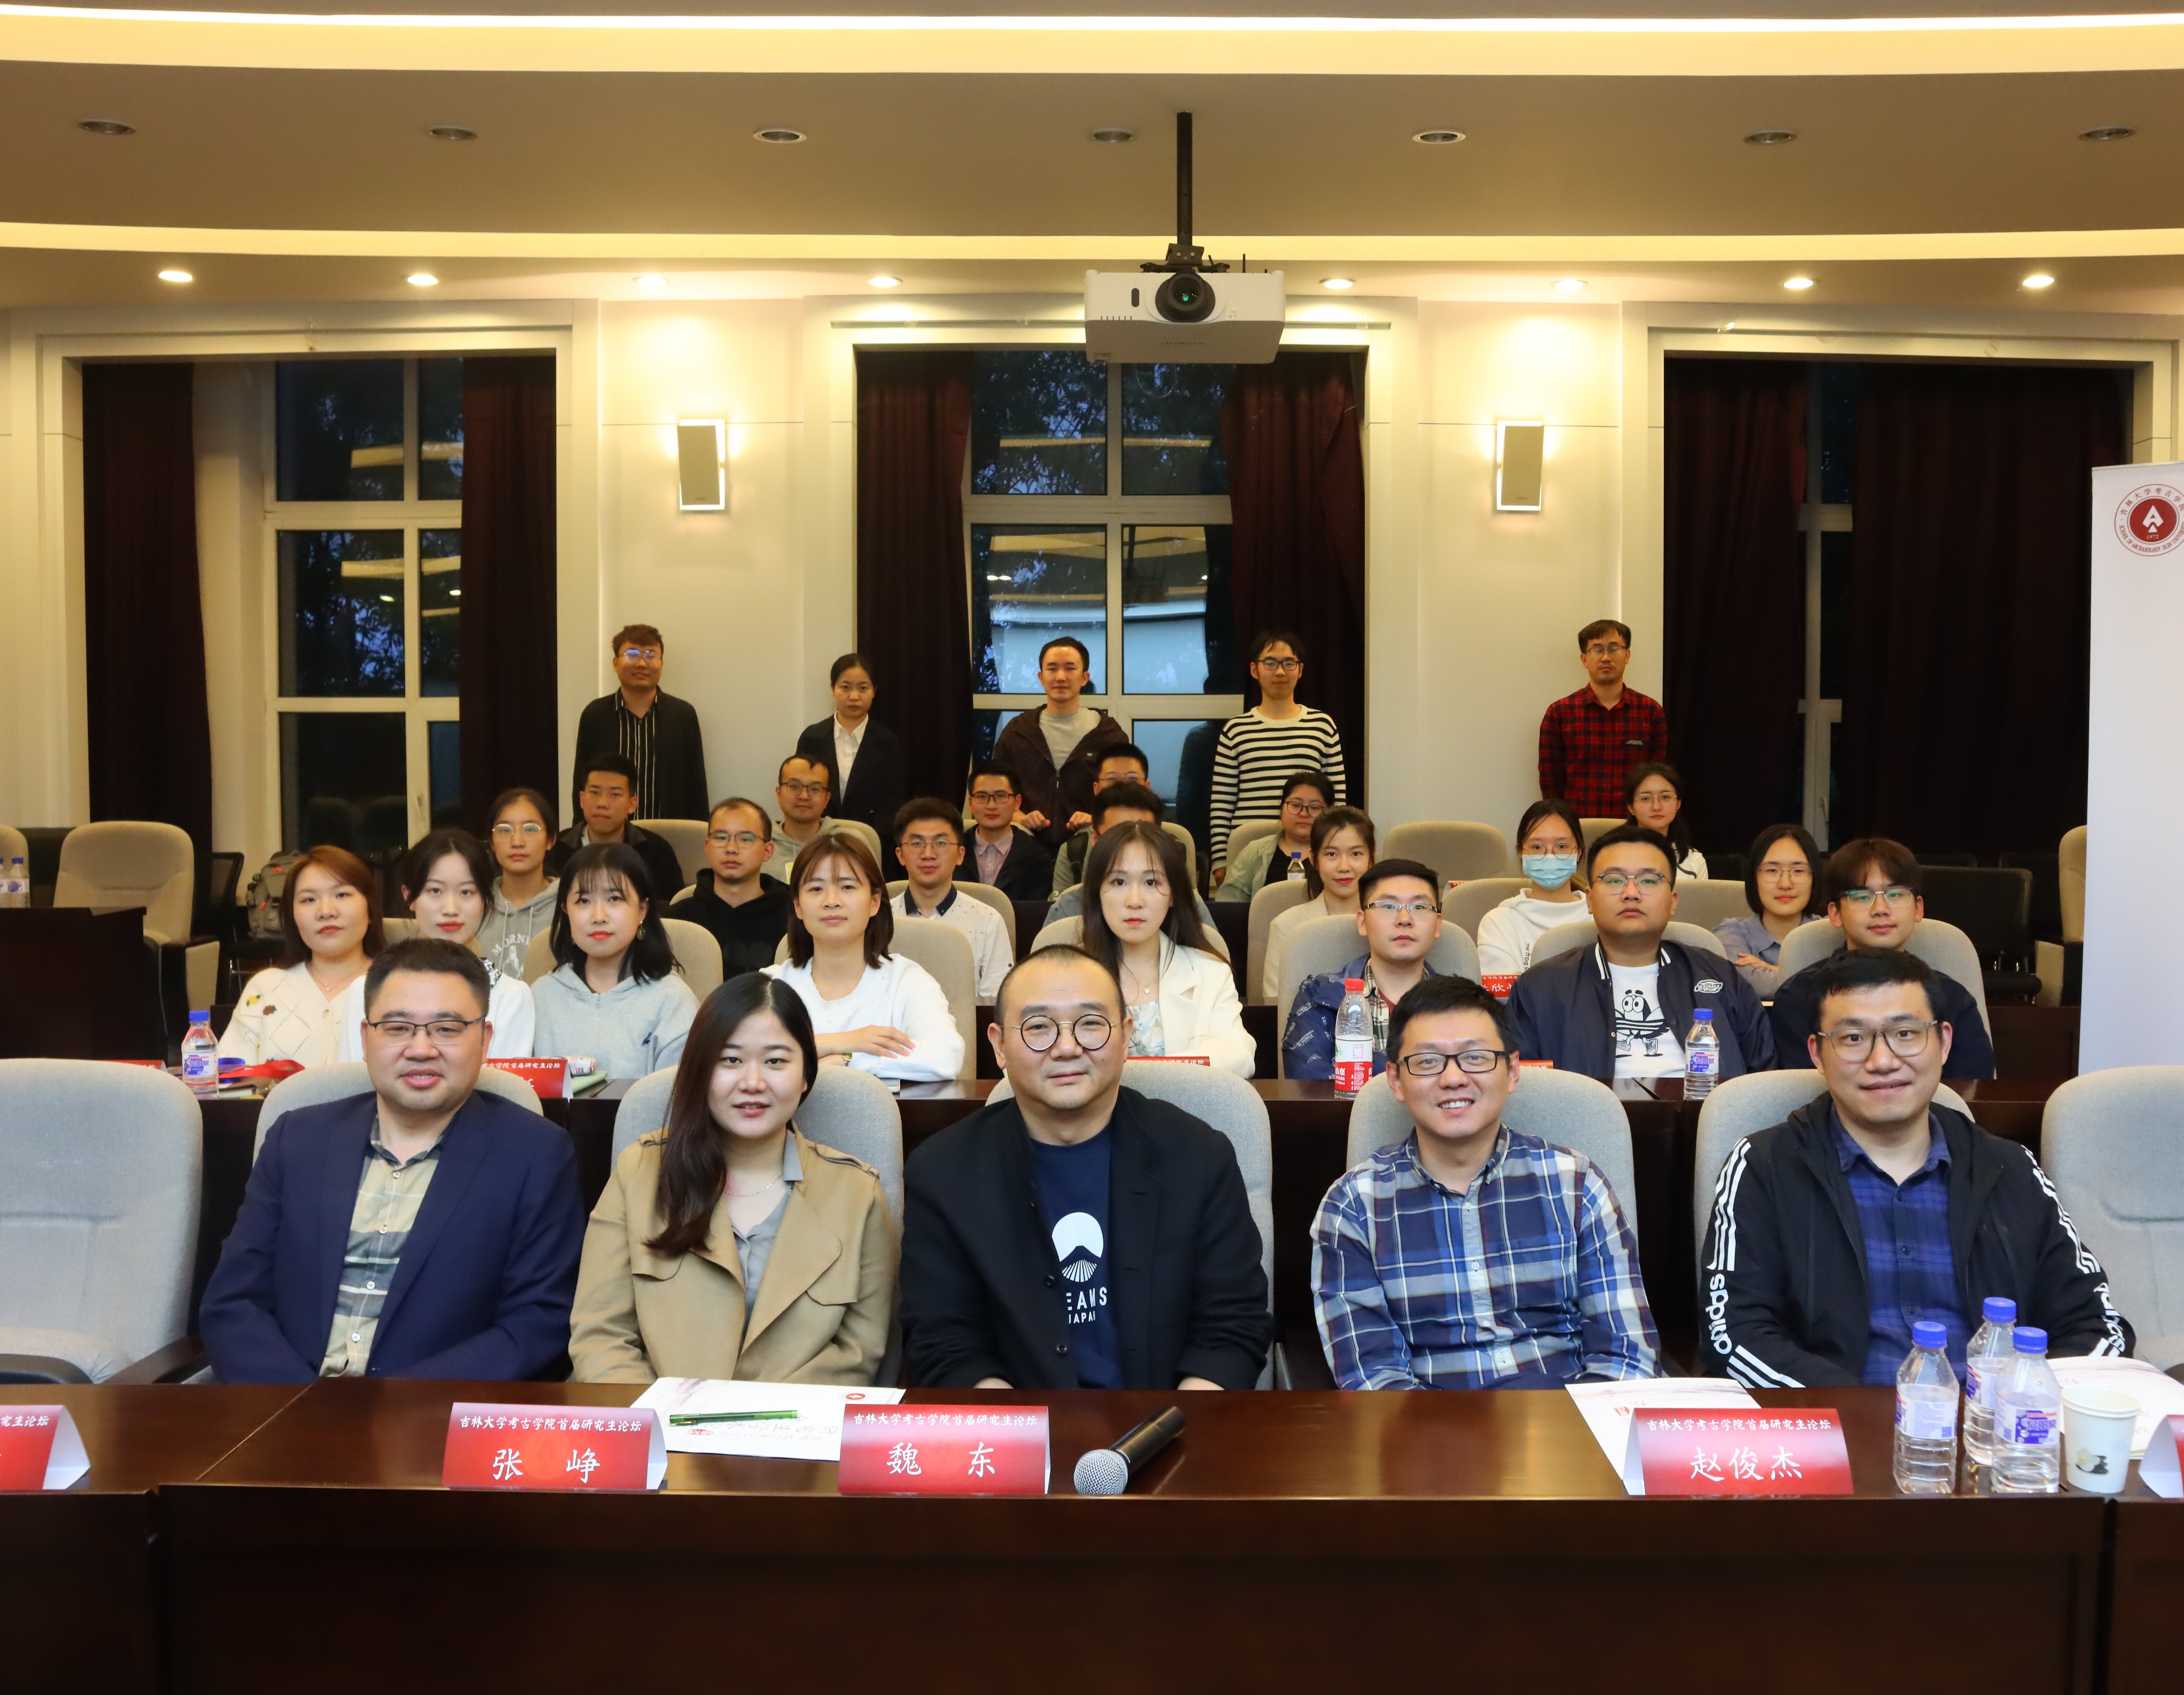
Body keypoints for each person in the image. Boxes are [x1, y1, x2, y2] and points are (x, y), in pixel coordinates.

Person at [1701, 949, 2129, 1389]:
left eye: (1905, 1033)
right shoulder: (1764, 1167)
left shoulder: (2009, 1168)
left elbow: (2098, 1327)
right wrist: (1862, 1414)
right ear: (1818, 1053)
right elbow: (1732, 1334)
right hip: (1840, 1423)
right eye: (1853, 1038)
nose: (1882, 1061)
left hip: (1995, 1423)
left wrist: (2016, 1407)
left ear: (1943, 1042)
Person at [200, 938, 586, 1382]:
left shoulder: (535, 1154)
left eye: (447, 1029)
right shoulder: (298, 1139)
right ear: (366, 1039)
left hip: (431, 1412)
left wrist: (393, 1406)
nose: (421, 1049)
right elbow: (233, 1302)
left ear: (484, 1041)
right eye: (398, 1028)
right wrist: (301, 1405)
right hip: (287, 1404)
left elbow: (539, 1322)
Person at [899, 944, 1272, 1389]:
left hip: (1175, 1419)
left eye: (1091, 1023)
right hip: (1015, 1423)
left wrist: (1176, 1424)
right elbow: (943, 1343)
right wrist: (1021, 1430)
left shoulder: (1199, 1156)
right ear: (999, 1046)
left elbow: (1232, 1326)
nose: (1067, 1047)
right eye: (1039, 1027)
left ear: (1126, 1035)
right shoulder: (943, 1172)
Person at [1313, 975, 1658, 1389]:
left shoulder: (1576, 1184)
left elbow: (1627, 1355)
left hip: (1568, 1417)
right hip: (1428, 1424)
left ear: (1512, 1071)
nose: (1453, 1078)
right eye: (1427, 1061)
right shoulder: (1354, 1205)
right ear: (1396, 1081)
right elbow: (1373, 1378)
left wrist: (1571, 1428)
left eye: (1475, 1058)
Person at [569, 976, 897, 1385]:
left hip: (798, 1424)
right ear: (700, 1072)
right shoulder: (639, 1173)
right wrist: (663, 1417)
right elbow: (600, 1335)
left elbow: (858, 1352)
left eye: (776, 1062)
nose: (753, 1083)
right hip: (657, 1421)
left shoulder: (857, 1194)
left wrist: (763, 1420)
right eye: (731, 1060)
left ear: (806, 1076)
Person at [1507, 823, 1774, 1083]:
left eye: (1649, 880)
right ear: (1590, 899)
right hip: (1585, 1114)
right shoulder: (1540, 989)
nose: (1631, 893)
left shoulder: (1721, 977)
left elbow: (1764, 1081)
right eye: (1614, 880)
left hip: (1706, 1112)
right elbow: (1522, 1089)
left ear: (1672, 902)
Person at [1768, 837, 1997, 1084]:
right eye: (1861, 896)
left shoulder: (1953, 997)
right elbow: (1806, 1092)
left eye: (1896, 894)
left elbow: (1971, 1093)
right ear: (1835, 914)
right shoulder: (1798, 998)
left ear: (1918, 908)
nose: (1881, 909)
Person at [764, 833, 965, 1083]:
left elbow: (946, 1057)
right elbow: (751, 1058)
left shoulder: (906, 981)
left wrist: (848, 1060)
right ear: (798, 906)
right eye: (816, 889)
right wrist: (841, 1042)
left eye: (847, 887)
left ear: (874, 902)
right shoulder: (772, 985)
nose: (832, 901)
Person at [335, 830, 534, 1061]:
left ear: (484, 899)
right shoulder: (365, 990)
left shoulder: (510, 997)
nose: (451, 908)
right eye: (435, 891)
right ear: (409, 896)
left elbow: (504, 1084)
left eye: (466, 892)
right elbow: (353, 1080)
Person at [1076, 822, 1254, 1075]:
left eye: (1151, 882)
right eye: (1118, 881)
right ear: (1097, 893)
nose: (1134, 901)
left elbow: (1238, 1056)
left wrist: (1148, 1073)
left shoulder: (1210, 972)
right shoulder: (1062, 975)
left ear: (1173, 895)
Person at [530, 843, 699, 1080]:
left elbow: (678, 1095)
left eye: (614, 898)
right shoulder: (540, 996)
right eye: (584, 901)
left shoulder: (672, 999)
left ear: (642, 909)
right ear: (566, 910)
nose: (599, 916)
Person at [1282, 858, 1449, 1081]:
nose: (1405, 919)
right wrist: (1421, 1068)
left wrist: (1362, 1068)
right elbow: (1307, 1081)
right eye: (1388, 906)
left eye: (1419, 907)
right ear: (1362, 922)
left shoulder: (1461, 1003)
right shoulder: (1318, 995)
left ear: (1437, 925)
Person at [221, 845, 387, 1068]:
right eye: (309, 900)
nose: (326, 911)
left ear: (371, 909)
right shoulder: (266, 988)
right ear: (291, 916)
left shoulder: (397, 985)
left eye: (342, 895)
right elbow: (227, 1078)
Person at [1209, 631, 1347, 884]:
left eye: (1289, 663)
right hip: (1247, 854)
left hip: (1310, 850)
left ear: (1300, 670)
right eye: (1270, 663)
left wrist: (1336, 851)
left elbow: (1337, 799)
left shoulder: (1322, 726)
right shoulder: (1235, 730)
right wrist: (1220, 861)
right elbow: (1222, 802)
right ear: (1255, 670)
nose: (1280, 672)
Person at [992, 636, 1128, 850]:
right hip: (1025, 848)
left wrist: (1096, 817)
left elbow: (1125, 795)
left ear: (1085, 678)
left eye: (1070, 669)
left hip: (1092, 848)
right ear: (1041, 677)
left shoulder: (1109, 734)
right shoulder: (1018, 731)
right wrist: (1019, 817)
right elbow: (995, 787)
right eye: (1052, 669)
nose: (1061, 677)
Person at [571, 622, 710, 822]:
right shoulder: (595, 715)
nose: (642, 664)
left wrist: (698, 832)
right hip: (611, 831)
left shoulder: (683, 716)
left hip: (669, 832)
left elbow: (696, 784)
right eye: (632, 655)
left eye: (650, 655)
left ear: (661, 664)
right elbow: (582, 783)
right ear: (615, 664)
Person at [1044, 781, 1219, 933]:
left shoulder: (1190, 905)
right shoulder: (1068, 909)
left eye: (1151, 883)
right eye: (1118, 836)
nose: (1135, 902)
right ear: (1095, 840)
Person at [1537, 619, 1668, 819]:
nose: (1606, 657)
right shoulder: (1560, 714)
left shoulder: (1651, 713)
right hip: (1578, 827)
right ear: (1584, 659)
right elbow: (1550, 782)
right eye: (1597, 650)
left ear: (1627, 655)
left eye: (1614, 649)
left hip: (1633, 827)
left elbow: (1656, 780)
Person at [892, 797, 1013, 1001]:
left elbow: (995, 1005)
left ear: (960, 855)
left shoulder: (988, 921)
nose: (928, 854)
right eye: (917, 843)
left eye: (940, 843)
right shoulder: (878, 919)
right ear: (900, 855)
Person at [1262, 805, 1376, 1001]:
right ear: (1314, 859)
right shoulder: (1286, 927)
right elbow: (1276, 1006)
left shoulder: (1386, 922)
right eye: (1332, 854)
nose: (1344, 867)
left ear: (1372, 858)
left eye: (1356, 854)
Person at [543, 751, 687, 905]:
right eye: (595, 792)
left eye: (615, 795)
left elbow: (671, 910)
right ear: (582, 800)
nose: (602, 803)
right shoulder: (555, 849)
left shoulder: (657, 852)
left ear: (632, 805)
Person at [676, 797, 793, 978]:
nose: (731, 848)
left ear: (768, 851)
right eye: (721, 838)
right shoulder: (678, 920)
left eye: (745, 839)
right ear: (707, 847)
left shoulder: (795, 918)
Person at [794, 652, 906, 843]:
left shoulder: (888, 743)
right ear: (833, 689)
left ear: (874, 691)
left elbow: (893, 801)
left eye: (863, 688)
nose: (854, 696)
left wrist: (869, 839)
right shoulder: (812, 738)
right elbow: (802, 790)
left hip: (872, 842)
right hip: (818, 840)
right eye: (845, 687)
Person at [1476, 799, 1588, 978]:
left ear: (1578, 853)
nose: (1550, 856)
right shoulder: (1500, 923)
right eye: (1537, 847)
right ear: (1522, 852)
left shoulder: (1600, 917)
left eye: (1561, 846)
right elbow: (1504, 994)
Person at [1715, 823, 1825, 996]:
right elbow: (1757, 986)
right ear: (1754, 879)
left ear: (1814, 878)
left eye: (1798, 871)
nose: (1785, 884)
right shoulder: (1731, 934)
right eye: (1772, 870)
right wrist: (1821, 977)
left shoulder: (1830, 933)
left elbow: (1849, 984)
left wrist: (1774, 970)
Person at [475, 787, 560, 982]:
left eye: (530, 829)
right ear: (492, 843)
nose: (517, 842)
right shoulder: (477, 905)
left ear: (550, 840)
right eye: (505, 830)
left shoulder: (569, 905)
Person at [1214, 771, 1335, 905]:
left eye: (1315, 807)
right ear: (1282, 808)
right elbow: (1227, 906)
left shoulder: (1341, 855)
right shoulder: (1254, 852)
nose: (1304, 814)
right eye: (1296, 805)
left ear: (1330, 812)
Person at [1050, 741, 1152, 897]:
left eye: (1132, 778)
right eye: (1112, 779)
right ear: (1096, 789)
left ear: (1147, 786)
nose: (1122, 785)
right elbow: (1062, 907)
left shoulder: (1175, 842)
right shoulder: (1074, 849)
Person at [965, 759, 1056, 903]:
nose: (991, 806)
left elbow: (1036, 911)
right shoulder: (953, 850)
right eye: (982, 797)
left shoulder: (1037, 857)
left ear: (1017, 802)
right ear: (970, 803)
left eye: (1001, 796)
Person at [1623, 762, 1707, 880]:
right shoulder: (1612, 854)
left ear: (1678, 804)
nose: (1656, 807)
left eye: (1665, 797)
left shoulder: (1694, 861)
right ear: (1631, 807)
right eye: (1646, 799)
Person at [767, 752, 838, 880]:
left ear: (827, 799)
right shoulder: (759, 845)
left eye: (815, 789)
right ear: (779, 794)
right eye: (794, 787)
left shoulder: (851, 843)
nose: (804, 796)